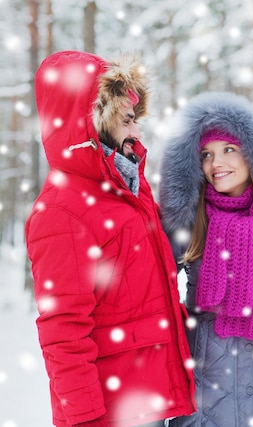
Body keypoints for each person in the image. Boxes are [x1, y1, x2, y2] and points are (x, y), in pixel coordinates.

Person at [25, 50, 196, 427]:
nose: (136, 132)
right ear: (91, 121)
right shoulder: (62, 210)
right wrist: (84, 417)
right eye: (127, 120)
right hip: (113, 410)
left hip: (149, 396)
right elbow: (63, 331)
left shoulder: (127, 189)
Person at [158, 91, 253, 427]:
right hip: (205, 392)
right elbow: (158, 292)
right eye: (206, 155)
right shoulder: (189, 220)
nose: (216, 164)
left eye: (229, 150)